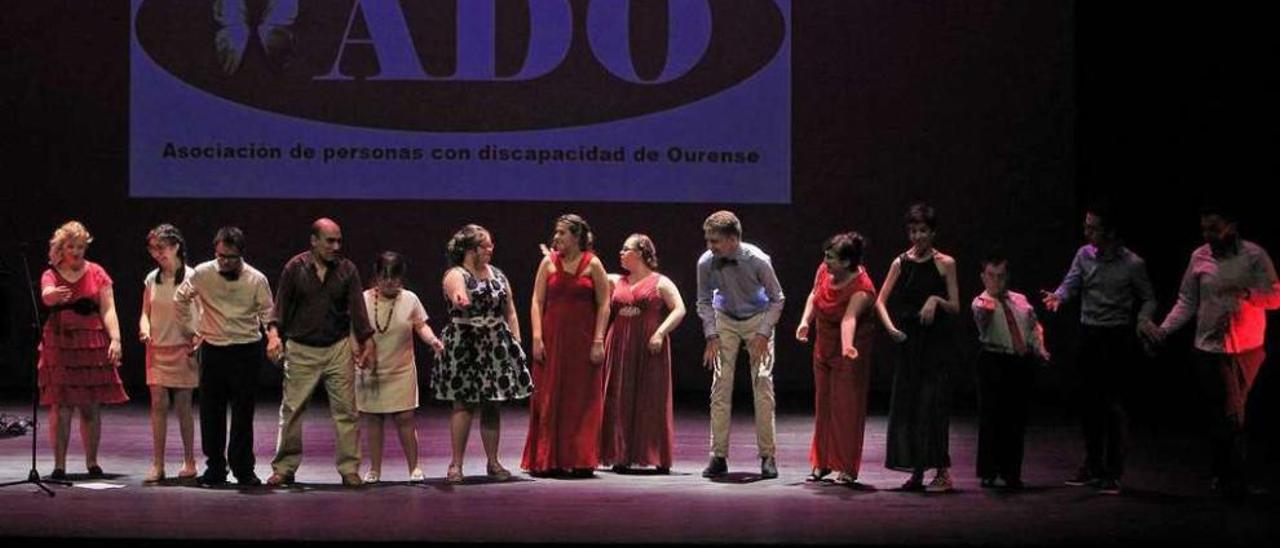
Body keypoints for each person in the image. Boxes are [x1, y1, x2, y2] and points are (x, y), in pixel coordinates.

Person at [1149, 205, 1280, 497]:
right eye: (1204, 229)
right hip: (1209, 349)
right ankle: (1235, 482)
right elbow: (1186, 300)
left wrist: (1247, 292)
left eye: (1214, 228)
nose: (1208, 235)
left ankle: (1222, 475)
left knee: (1229, 415)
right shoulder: (1200, 257)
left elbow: (1275, 298)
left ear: (1231, 226)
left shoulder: (1254, 255)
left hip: (1248, 349)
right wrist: (1164, 329)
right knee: (1231, 413)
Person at [1041, 202, 1156, 495]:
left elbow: (1149, 298)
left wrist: (1143, 319)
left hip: (1116, 337)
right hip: (1089, 334)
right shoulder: (1084, 255)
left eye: (1093, 227)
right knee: (1089, 403)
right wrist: (1059, 297)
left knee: (1113, 406)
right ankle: (1092, 464)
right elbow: (1071, 283)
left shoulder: (1132, 264)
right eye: (1086, 225)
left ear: (1111, 232)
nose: (1086, 231)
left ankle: (1113, 471)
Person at [266, 218, 375, 487]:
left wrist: (367, 341)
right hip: (302, 348)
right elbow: (279, 308)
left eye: (339, 241)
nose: (336, 246)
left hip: (337, 347)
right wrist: (273, 336)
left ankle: (350, 468)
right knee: (292, 410)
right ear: (314, 241)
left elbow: (358, 311)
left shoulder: (347, 269)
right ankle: (285, 467)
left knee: (346, 411)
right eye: (330, 241)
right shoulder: (295, 268)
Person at [174, 226, 276, 486]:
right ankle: (215, 467)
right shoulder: (203, 273)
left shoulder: (256, 279)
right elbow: (181, 298)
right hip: (213, 349)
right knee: (211, 412)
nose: (225, 262)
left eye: (230, 257)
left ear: (241, 254)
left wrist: (273, 338)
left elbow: (268, 314)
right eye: (220, 256)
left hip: (246, 350)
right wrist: (191, 330)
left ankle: (243, 468)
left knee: (243, 413)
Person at [435, 225, 533, 483]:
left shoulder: (498, 274)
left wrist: (516, 342)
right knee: (464, 404)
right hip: (466, 344)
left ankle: (493, 461)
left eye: (491, 245)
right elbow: (456, 291)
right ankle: (456, 464)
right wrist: (460, 299)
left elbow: (509, 309)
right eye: (485, 245)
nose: (491, 249)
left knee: (492, 404)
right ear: (470, 250)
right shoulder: (456, 274)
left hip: (494, 345)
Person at [874, 203, 960, 493]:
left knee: (932, 407)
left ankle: (943, 472)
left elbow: (956, 305)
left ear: (933, 232)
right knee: (910, 409)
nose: (917, 236)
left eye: (923, 231)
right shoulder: (900, 262)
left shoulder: (945, 262)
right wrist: (891, 329)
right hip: (909, 343)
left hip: (935, 345)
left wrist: (935, 299)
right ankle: (918, 472)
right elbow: (880, 301)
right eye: (913, 231)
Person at [697, 210, 785, 479]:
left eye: (716, 241)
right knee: (721, 384)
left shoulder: (758, 260)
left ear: (733, 239)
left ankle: (768, 456)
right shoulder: (706, 262)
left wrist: (763, 333)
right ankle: (718, 455)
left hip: (757, 319)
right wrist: (711, 334)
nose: (710, 247)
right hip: (725, 318)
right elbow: (703, 300)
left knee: (762, 383)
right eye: (708, 241)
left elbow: (777, 299)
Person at [38, 221, 129, 480]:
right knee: (61, 405)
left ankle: (92, 462)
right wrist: (53, 295)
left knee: (90, 406)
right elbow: (46, 295)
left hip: (90, 342)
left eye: (80, 246)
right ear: (61, 248)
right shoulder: (52, 273)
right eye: (71, 246)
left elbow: (108, 308)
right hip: (60, 341)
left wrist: (116, 339)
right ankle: (59, 465)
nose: (77, 251)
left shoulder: (97, 272)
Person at [522, 214, 611, 478]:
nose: (557, 238)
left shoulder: (592, 264)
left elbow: (604, 303)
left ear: (576, 236)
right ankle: (547, 459)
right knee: (548, 398)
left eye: (562, 233)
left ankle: (579, 458)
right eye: (556, 232)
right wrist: (537, 338)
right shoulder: (547, 263)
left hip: (582, 343)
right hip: (552, 341)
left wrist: (598, 340)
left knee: (580, 401)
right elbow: (536, 302)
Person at [795, 232, 876, 486]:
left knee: (846, 408)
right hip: (824, 345)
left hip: (849, 350)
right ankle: (822, 463)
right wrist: (805, 321)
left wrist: (848, 346)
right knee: (824, 406)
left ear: (847, 262)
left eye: (831, 258)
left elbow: (849, 318)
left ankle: (847, 467)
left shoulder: (862, 288)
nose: (825, 261)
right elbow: (813, 294)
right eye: (826, 256)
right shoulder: (823, 271)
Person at [600, 234, 686, 474]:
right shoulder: (615, 280)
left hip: (648, 346)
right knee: (618, 397)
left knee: (651, 398)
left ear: (640, 253)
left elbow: (679, 309)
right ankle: (620, 454)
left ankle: (655, 455)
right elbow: (587, 273)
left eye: (626, 249)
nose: (621, 253)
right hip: (619, 345)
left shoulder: (661, 282)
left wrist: (660, 333)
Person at [357, 252, 443, 484]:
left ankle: (414, 467)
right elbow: (354, 331)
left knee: (405, 418)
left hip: (401, 369)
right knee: (374, 420)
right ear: (376, 277)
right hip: (371, 370)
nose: (389, 282)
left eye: (394, 277)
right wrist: (357, 354)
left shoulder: (410, 299)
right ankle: (374, 469)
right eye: (384, 277)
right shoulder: (363, 299)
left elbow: (421, 325)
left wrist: (433, 340)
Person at [972, 253, 1050, 490]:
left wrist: (1040, 348)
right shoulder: (981, 302)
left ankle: (1011, 471)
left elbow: (1033, 325)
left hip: (1019, 362)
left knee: (1015, 418)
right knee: (991, 417)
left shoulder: (1020, 300)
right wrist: (988, 305)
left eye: (1002, 276)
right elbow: (982, 317)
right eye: (992, 276)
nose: (997, 281)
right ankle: (988, 471)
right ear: (983, 278)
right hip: (994, 359)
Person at [138, 224, 199, 483]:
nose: (157, 254)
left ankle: (189, 460)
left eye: (161, 248)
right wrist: (144, 329)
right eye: (153, 249)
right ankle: (158, 463)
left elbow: (204, 312)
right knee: (158, 404)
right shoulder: (153, 278)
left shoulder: (193, 277)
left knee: (183, 407)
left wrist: (198, 337)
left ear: (176, 247)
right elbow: (145, 312)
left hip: (183, 349)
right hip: (157, 349)